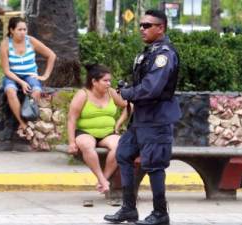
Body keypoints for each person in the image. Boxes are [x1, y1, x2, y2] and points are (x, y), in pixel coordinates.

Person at [104, 9, 181, 225]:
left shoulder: (165, 55)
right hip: (140, 119)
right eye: (141, 25)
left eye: (147, 25)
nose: (142, 29)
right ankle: (129, 208)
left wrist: (128, 93)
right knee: (124, 154)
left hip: (157, 119)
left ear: (161, 28)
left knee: (154, 165)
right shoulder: (149, 53)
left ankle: (160, 213)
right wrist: (128, 89)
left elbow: (151, 88)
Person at [67, 64, 129, 193]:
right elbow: (72, 119)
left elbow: (127, 105)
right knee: (87, 145)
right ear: (94, 82)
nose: (108, 84)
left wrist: (118, 125)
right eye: (105, 80)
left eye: (109, 80)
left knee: (120, 145)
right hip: (86, 132)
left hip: (108, 133)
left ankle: (103, 179)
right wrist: (72, 142)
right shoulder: (83, 94)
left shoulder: (111, 92)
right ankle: (102, 180)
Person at [0, 17, 56, 136]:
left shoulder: (31, 41)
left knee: (36, 91)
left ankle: (27, 117)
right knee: (10, 91)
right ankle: (23, 124)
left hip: (30, 74)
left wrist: (45, 75)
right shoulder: (5, 44)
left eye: (25, 29)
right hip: (12, 75)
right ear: (11, 30)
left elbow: (51, 55)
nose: (23, 32)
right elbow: (6, 70)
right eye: (20, 29)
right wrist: (21, 82)